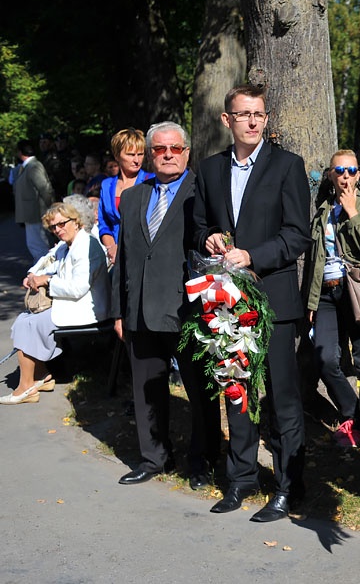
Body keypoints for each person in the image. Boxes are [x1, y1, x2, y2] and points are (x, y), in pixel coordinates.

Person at [194, 84, 312, 522]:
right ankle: (241, 479)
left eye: (258, 114)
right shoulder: (208, 170)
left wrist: (253, 255)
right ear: (227, 120)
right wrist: (207, 237)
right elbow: (199, 226)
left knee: (283, 396)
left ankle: (288, 486)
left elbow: (299, 234)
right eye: (243, 114)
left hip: (276, 300)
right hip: (228, 303)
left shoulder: (287, 166)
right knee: (237, 390)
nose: (252, 121)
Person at [111, 122, 221, 488]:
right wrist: (119, 311)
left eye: (175, 148)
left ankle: (202, 459)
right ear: (149, 154)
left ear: (187, 152)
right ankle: (153, 457)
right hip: (139, 310)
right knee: (146, 391)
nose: (168, 155)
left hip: (187, 310)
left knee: (200, 391)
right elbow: (124, 258)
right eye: (160, 149)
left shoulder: (200, 192)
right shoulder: (132, 198)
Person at [303, 149, 360, 447]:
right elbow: (316, 262)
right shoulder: (323, 209)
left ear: (359, 174)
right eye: (339, 171)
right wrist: (312, 302)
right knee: (325, 358)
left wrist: (352, 212)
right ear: (330, 174)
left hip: (358, 291)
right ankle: (353, 413)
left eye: (351, 171)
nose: (346, 177)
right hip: (327, 293)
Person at [2, 198, 110, 405]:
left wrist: (48, 280)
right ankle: (42, 376)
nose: (58, 229)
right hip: (72, 303)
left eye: (62, 223)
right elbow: (48, 261)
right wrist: (33, 275)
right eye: (53, 227)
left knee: (32, 323)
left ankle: (26, 388)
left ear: (76, 221)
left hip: (87, 308)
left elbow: (78, 288)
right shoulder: (66, 245)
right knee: (25, 320)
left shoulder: (88, 246)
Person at [98, 128, 154, 265]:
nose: (136, 160)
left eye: (140, 154)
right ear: (117, 156)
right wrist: (112, 248)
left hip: (143, 256)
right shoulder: (106, 185)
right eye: (130, 154)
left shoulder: (151, 181)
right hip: (115, 257)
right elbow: (104, 223)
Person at [15, 140, 57, 263]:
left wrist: (51, 207)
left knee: (39, 247)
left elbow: (45, 188)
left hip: (37, 213)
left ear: (20, 152)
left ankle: (43, 273)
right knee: (35, 246)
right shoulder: (28, 167)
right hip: (31, 214)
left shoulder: (34, 166)